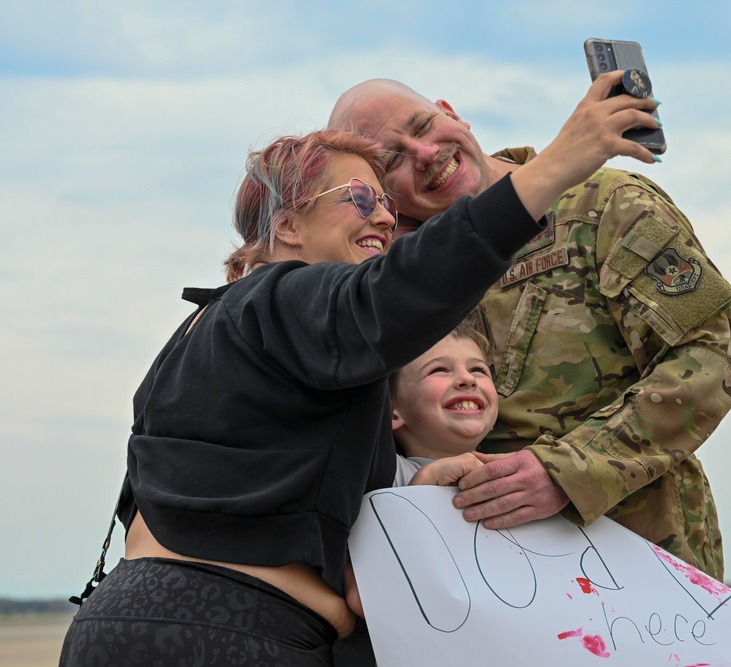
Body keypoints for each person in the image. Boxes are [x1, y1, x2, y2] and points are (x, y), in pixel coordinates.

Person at [59, 70, 662, 667]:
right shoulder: (286, 298)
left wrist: (417, 495)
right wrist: (561, 161)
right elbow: (395, 295)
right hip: (228, 636)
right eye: (361, 199)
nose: (384, 219)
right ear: (287, 226)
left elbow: (265, 510)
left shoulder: (203, 335)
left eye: (388, 205)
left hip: (116, 625)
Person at [329, 75, 731, 580]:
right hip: (480, 576)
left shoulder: (603, 204)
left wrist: (569, 471)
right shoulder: (392, 277)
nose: (423, 152)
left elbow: (708, 358)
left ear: (452, 112)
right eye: (391, 159)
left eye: (423, 126)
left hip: (641, 560)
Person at [390, 315, 497, 486]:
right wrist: (425, 481)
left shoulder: (518, 481)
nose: (468, 378)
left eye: (478, 369)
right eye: (439, 369)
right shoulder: (385, 474)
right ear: (392, 414)